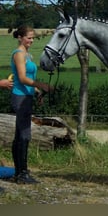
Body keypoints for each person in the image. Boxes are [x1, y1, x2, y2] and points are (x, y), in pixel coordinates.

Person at [10, 25, 53, 184]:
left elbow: (28, 81)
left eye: (33, 38)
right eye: (29, 37)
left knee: (20, 135)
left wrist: (37, 92)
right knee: (24, 135)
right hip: (20, 97)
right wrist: (41, 85)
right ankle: (22, 174)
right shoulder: (19, 55)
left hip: (27, 96)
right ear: (20, 37)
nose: (32, 40)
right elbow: (21, 78)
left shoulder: (28, 55)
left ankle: (19, 172)